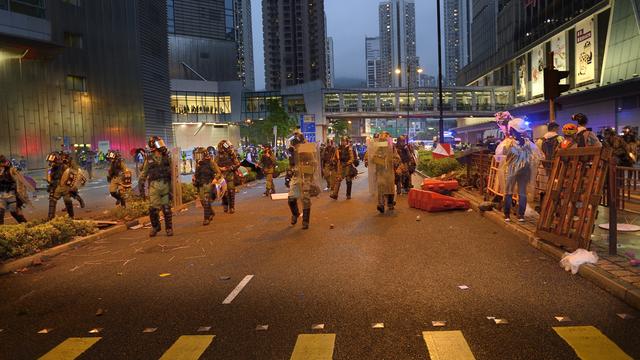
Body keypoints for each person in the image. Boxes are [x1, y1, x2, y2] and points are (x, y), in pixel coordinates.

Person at [500, 118, 542, 222]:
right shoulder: (529, 143)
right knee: (522, 193)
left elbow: (502, 154)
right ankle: (521, 216)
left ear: (512, 130)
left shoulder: (508, 143)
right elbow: (538, 155)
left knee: (509, 192)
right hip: (526, 171)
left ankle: (507, 215)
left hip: (512, 170)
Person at [139, 136, 173, 237]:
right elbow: (144, 173)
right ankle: (155, 227)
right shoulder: (148, 159)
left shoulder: (167, 157)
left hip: (165, 186)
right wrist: (141, 185)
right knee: (153, 210)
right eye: (159, 143)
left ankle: (169, 228)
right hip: (154, 188)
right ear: (153, 146)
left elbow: (173, 171)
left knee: (166, 209)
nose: (162, 145)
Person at [285, 132, 319, 229]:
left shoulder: (306, 151)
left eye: (297, 145)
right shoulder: (292, 152)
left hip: (306, 177)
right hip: (296, 177)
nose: (295, 147)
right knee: (291, 198)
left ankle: (305, 221)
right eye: (294, 145)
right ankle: (295, 214)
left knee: (305, 199)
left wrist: (301, 136)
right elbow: (290, 165)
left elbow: (314, 163)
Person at [366, 132, 398, 214]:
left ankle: (390, 203)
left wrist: (393, 161)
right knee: (381, 188)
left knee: (390, 187)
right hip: (380, 171)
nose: (383, 141)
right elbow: (372, 157)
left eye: (385, 139)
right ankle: (381, 205)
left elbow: (397, 158)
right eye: (382, 139)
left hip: (389, 172)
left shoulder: (392, 148)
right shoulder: (377, 148)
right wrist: (379, 159)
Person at [193, 147, 221, 225]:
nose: (198, 157)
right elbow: (196, 173)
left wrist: (215, 179)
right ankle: (211, 212)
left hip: (208, 183)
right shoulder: (198, 164)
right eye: (197, 155)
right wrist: (194, 178)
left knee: (206, 201)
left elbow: (218, 172)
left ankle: (206, 218)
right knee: (203, 202)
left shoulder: (211, 162)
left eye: (200, 155)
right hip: (200, 184)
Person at [0, 155, 29, 224]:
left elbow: (20, 183)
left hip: (12, 195)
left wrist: (21, 197)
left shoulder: (11, 171)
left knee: (15, 213)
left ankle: (27, 227)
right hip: (2, 196)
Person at [46, 151, 75, 219]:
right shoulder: (50, 169)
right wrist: (50, 180)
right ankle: (50, 217)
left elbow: (70, 175)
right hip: (54, 186)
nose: (50, 163)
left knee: (67, 200)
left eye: (51, 161)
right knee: (52, 201)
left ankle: (71, 216)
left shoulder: (64, 167)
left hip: (64, 186)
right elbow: (49, 179)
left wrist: (70, 186)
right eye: (50, 162)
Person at [215, 140, 240, 214]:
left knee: (231, 190)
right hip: (222, 175)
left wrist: (230, 168)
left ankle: (232, 207)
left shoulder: (232, 154)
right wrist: (220, 168)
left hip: (230, 174)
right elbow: (214, 165)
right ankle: (225, 205)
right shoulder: (218, 156)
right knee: (224, 191)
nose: (229, 148)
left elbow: (237, 164)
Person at [330, 136, 356, 200]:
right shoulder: (338, 149)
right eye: (342, 141)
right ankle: (335, 194)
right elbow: (335, 157)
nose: (343, 142)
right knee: (338, 180)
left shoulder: (349, 149)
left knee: (348, 180)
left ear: (346, 142)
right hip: (341, 166)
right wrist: (334, 161)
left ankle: (348, 194)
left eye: (344, 141)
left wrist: (347, 163)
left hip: (347, 166)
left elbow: (352, 158)